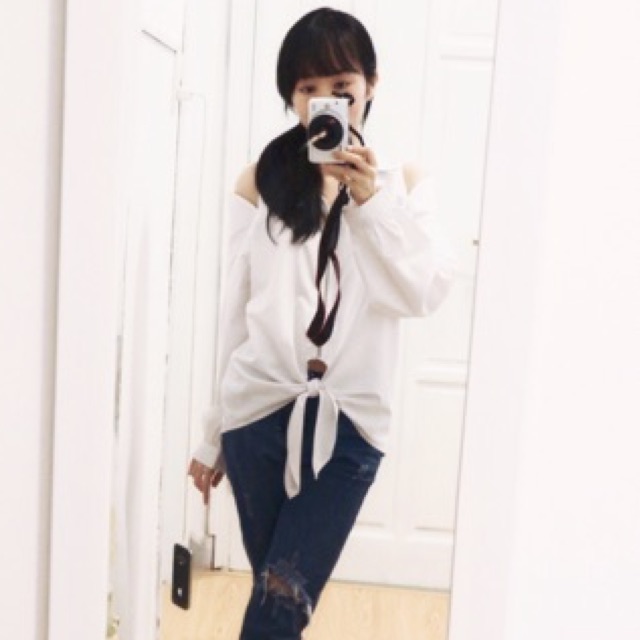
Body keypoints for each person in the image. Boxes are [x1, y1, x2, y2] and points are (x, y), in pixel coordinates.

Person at [188, 7, 455, 639]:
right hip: (256, 414)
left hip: (351, 424)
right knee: (277, 605)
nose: (325, 101)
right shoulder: (260, 182)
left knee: (279, 607)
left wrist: (370, 203)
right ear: (291, 96)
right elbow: (235, 314)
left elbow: (422, 291)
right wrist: (212, 433)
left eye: (341, 85)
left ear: (370, 86)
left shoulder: (402, 184)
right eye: (308, 88)